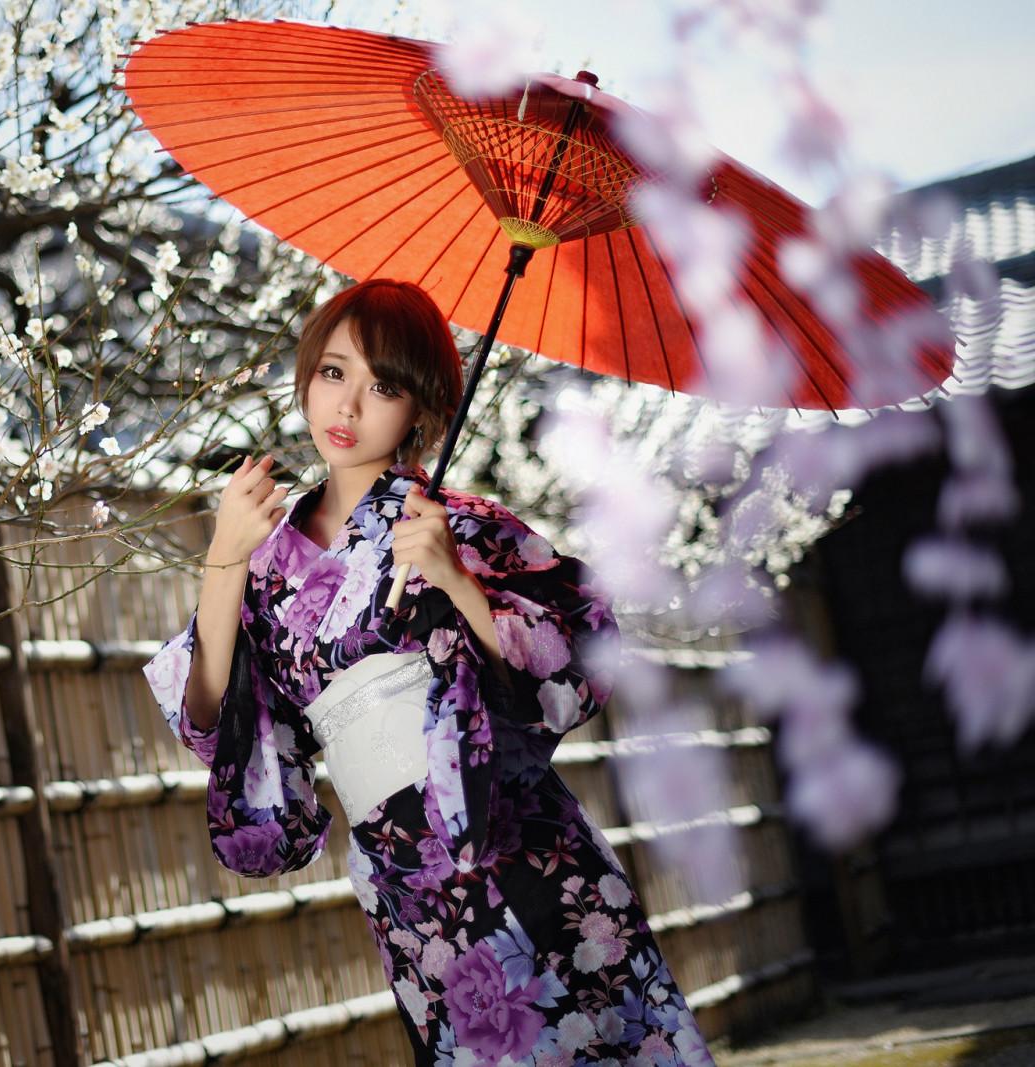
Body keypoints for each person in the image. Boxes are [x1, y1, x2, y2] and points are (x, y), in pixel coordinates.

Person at [143, 279, 715, 1066]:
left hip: (512, 844)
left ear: (422, 408)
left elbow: (584, 643)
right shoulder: (266, 561)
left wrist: (457, 581)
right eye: (333, 372)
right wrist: (224, 559)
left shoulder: (459, 526)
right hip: (400, 876)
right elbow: (217, 719)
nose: (348, 405)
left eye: (384, 386)